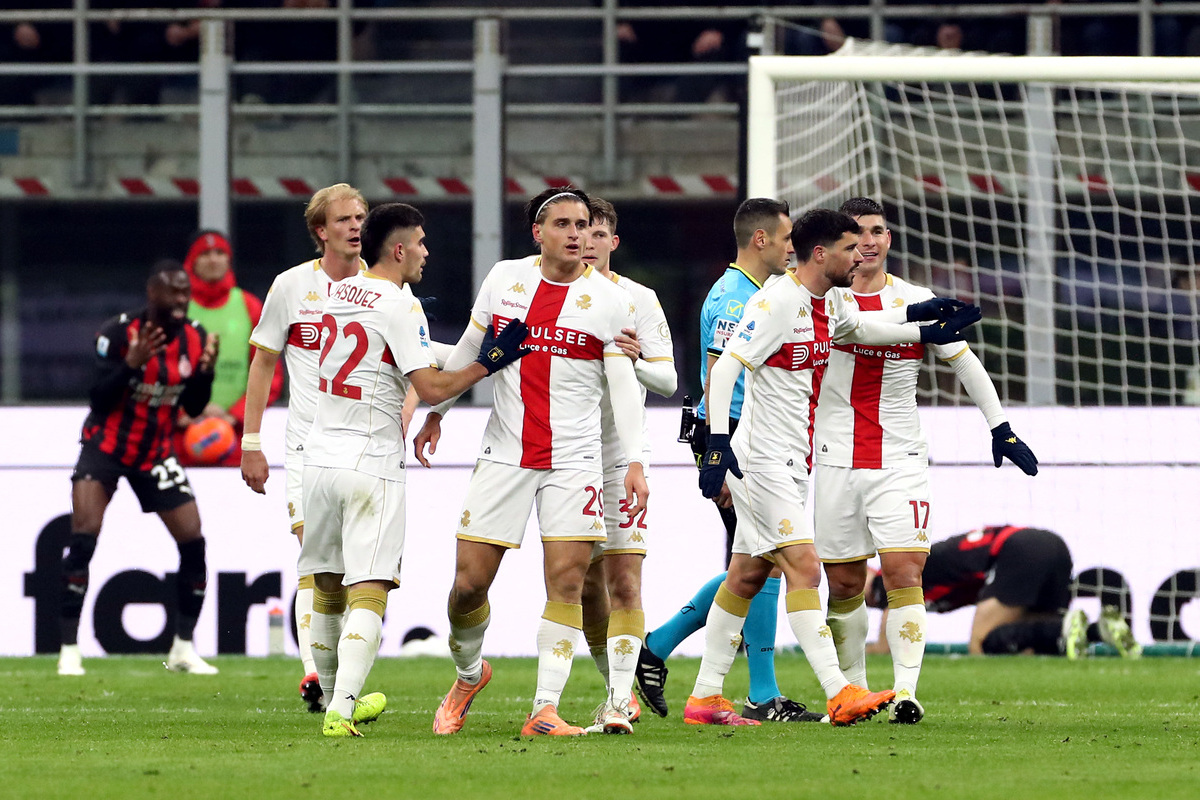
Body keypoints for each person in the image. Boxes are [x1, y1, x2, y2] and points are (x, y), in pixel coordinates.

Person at [688, 208, 981, 726]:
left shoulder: (827, 301)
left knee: (746, 574)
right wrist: (715, 444)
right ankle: (839, 690)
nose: (859, 256)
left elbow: (868, 325)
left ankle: (706, 696)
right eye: (849, 248)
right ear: (820, 253)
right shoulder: (776, 302)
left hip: (792, 460)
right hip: (760, 462)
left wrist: (925, 319)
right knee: (805, 567)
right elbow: (727, 365)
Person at [416, 186, 649, 737]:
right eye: (563, 223)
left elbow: (623, 388)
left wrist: (635, 461)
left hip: (576, 460)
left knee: (567, 582)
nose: (575, 233)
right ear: (538, 232)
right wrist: (439, 410)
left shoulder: (610, 301)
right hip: (505, 453)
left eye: (583, 223)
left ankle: (544, 708)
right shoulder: (505, 279)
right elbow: (474, 349)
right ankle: (469, 674)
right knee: (468, 586)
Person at [301, 202, 530, 737]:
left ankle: (336, 698)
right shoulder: (401, 305)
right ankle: (340, 711)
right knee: (369, 590)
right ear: (399, 249)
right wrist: (489, 361)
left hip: (317, 455)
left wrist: (469, 353)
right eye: (421, 243)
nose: (427, 253)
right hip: (371, 460)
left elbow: (400, 355)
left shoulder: (336, 292)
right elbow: (429, 388)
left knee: (326, 587)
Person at [813, 197, 1039, 726]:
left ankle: (907, 690)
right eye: (858, 234)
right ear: (842, 245)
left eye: (878, 231)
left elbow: (966, 362)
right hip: (834, 457)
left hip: (901, 456)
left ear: (889, 239)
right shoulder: (823, 301)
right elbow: (855, 332)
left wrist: (1000, 426)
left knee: (903, 571)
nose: (868, 241)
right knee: (844, 583)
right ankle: (853, 693)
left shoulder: (918, 298)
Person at [636, 198, 824, 725]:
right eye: (787, 238)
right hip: (736, 440)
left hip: (752, 439)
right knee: (763, 562)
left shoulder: (763, 292)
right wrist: (717, 448)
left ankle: (661, 646)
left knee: (754, 561)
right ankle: (761, 693)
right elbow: (720, 376)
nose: (793, 248)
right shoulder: (734, 298)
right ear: (761, 239)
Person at [57, 259, 220, 677]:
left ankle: (183, 648)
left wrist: (206, 374)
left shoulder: (197, 338)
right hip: (105, 447)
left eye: (187, 291)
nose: (183, 298)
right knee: (83, 538)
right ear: (153, 293)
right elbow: (98, 399)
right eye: (174, 290)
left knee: (194, 542)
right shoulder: (117, 332)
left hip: (156, 452)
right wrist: (131, 364)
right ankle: (69, 650)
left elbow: (194, 407)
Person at [240, 183, 367, 712]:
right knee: (317, 563)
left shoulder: (384, 288)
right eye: (344, 219)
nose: (356, 226)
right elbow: (264, 360)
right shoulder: (291, 287)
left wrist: (408, 416)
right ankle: (318, 676)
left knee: (357, 571)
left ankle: (339, 677)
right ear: (321, 231)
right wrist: (251, 441)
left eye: (361, 217)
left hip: (367, 448)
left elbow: (411, 362)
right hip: (308, 446)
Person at [576, 197, 677, 734]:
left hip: (620, 455)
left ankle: (617, 702)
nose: (586, 242)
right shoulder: (549, 295)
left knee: (626, 582)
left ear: (612, 241)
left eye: (596, 233)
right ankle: (614, 681)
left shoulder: (639, 299)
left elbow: (669, 381)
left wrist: (635, 358)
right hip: (565, 457)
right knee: (586, 586)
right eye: (578, 231)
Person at [864, 526, 1142, 660]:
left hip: (1016, 550)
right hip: (1051, 545)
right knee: (1033, 641)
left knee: (981, 644)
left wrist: (869, 649)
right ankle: (1099, 629)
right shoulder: (921, 572)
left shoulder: (892, 578)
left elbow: (891, 627)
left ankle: (1072, 627)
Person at [174, 229, 283, 467]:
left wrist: (233, 415)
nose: (213, 259)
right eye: (205, 253)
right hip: (179, 440)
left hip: (237, 441)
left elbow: (269, 374)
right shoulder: (175, 308)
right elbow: (155, 368)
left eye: (220, 252)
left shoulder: (250, 306)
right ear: (191, 261)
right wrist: (181, 414)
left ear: (229, 260)